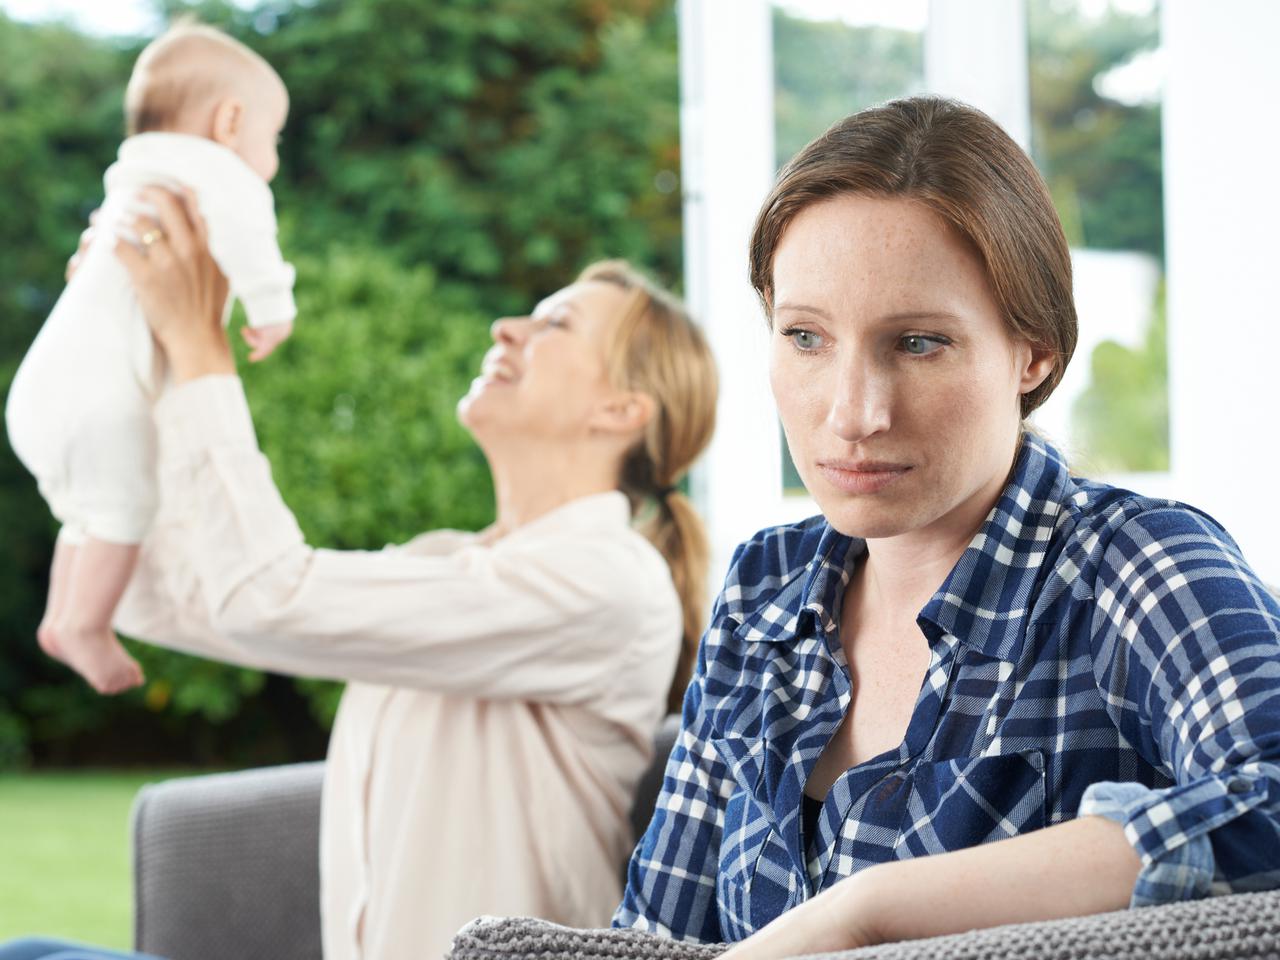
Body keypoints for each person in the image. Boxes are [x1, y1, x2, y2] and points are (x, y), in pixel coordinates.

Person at [615, 95, 1280, 958]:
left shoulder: (1133, 564)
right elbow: (654, 939)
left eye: (919, 343)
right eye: (806, 338)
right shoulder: (764, 594)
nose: (854, 414)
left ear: (1032, 352)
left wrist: (873, 909)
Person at [0, 191, 717, 959]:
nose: (507, 328)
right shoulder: (440, 561)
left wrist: (199, 347)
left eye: (554, 324)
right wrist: (116, 349)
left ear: (621, 411)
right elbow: (164, 595)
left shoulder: (610, 584)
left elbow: (263, 597)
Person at [4, 21, 295, 695]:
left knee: (90, 513)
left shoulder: (131, 178)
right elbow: (253, 241)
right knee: (126, 506)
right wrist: (274, 306)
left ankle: (62, 618)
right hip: (103, 405)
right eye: (271, 138)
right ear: (230, 122)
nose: (270, 159)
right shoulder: (224, 177)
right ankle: (82, 624)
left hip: (41, 390)